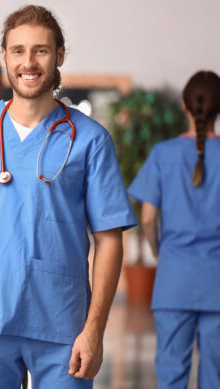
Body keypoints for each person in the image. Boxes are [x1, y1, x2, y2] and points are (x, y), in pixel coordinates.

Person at [0, 5, 136, 388]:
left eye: (41, 50)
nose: (29, 62)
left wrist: (94, 330)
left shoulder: (89, 139)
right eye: (18, 50)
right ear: (5, 57)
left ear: (59, 56)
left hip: (63, 320)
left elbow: (109, 240)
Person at [128, 71, 220, 389]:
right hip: (217, 280)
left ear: (184, 105)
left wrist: (159, 251)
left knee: (171, 374)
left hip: (175, 278)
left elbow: (150, 219)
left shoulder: (163, 154)